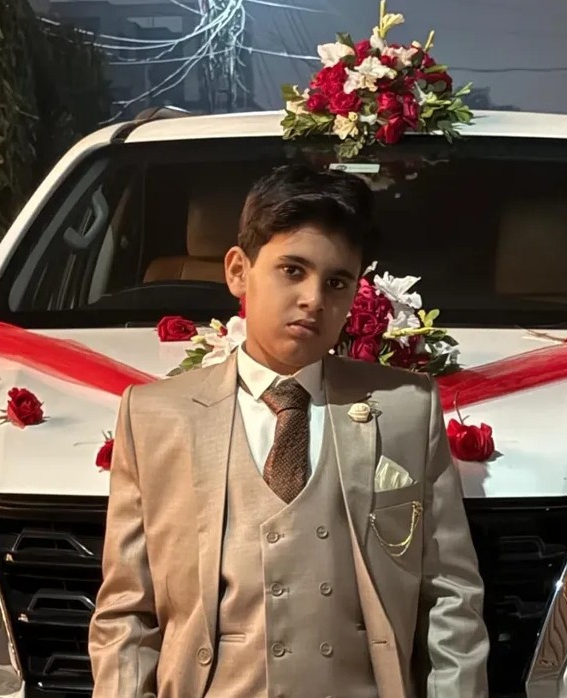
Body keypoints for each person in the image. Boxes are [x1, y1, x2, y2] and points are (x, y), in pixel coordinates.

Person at [88, 163, 489, 697]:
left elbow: (450, 596)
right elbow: (127, 613)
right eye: (292, 270)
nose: (314, 299)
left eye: (337, 282)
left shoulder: (405, 409)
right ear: (238, 271)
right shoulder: (156, 417)